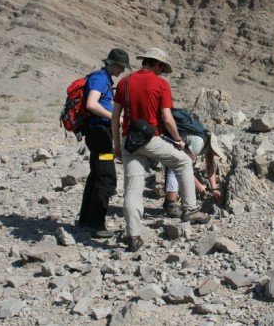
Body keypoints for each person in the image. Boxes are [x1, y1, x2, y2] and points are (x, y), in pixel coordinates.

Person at [111, 48, 210, 252]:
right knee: (183, 162)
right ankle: (190, 209)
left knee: (132, 188)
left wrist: (116, 145)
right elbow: (167, 118)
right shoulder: (161, 84)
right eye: (162, 67)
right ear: (156, 63)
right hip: (151, 139)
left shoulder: (124, 83)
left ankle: (133, 235)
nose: (162, 71)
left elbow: (115, 116)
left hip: (129, 141)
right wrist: (178, 140)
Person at [77, 48, 131, 238]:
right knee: (106, 176)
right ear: (113, 64)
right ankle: (95, 223)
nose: (122, 71)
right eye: (121, 67)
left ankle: (85, 220)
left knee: (96, 174)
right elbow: (91, 104)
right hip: (99, 135)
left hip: (101, 135)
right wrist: (113, 116)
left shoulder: (104, 79)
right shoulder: (100, 78)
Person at [163, 130, 227, 218]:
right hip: (168, 143)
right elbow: (185, 168)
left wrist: (214, 189)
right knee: (174, 168)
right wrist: (198, 185)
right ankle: (171, 206)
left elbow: (210, 167)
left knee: (176, 167)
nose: (217, 155)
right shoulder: (199, 143)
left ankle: (169, 202)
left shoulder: (208, 146)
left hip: (178, 148)